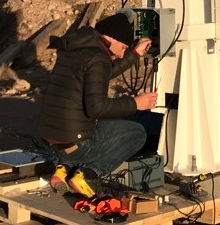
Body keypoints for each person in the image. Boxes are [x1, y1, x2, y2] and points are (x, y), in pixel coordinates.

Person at [36, 10, 158, 197]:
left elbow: (102, 73)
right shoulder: (99, 58)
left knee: (94, 126)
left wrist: (134, 53)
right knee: (136, 133)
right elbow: (97, 108)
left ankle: (64, 168)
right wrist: (135, 103)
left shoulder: (75, 48)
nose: (122, 52)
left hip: (53, 141)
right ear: (114, 39)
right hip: (77, 144)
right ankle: (88, 174)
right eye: (124, 47)